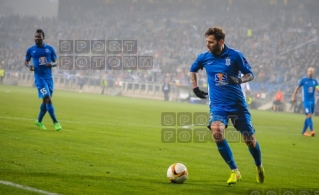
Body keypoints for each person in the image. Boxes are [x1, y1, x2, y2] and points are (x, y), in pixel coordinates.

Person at [190, 27, 264, 185]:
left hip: (237, 105)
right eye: (206, 42)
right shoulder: (204, 57)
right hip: (217, 106)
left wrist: (239, 80)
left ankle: (258, 166)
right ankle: (234, 170)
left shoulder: (235, 55)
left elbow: (250, 74)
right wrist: (195, 87)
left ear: (221, 42)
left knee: (249, 140)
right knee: (217, 132)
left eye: (211, 42)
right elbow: (192, 70)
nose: (207, 45)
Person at [24, 29, 62, 131]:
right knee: (48, 99)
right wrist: (29, 66)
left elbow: (56, 62)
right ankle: (56, 122)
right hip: (39, 79)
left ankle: (39, 121)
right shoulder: (31, 50)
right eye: (35, 36)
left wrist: (52, 65)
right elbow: (26, 61)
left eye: (39, 36)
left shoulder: (50, 49)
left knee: (45, 101)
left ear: (43, 37)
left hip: (49, 79)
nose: (37, 38)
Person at [291, 67, 319, 137]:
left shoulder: (315, 81)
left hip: (312, 101)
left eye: (311, 71)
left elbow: (318, 89)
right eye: (309, 71)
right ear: (307, 72)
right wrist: (293, 96)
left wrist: (318, 89)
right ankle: (312, 130)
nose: (310, 72)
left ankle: (304, 131)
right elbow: (297, 88)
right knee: (309, 115)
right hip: (306, 101)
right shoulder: (303, 80)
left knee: (309, 116)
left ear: (313, 73)